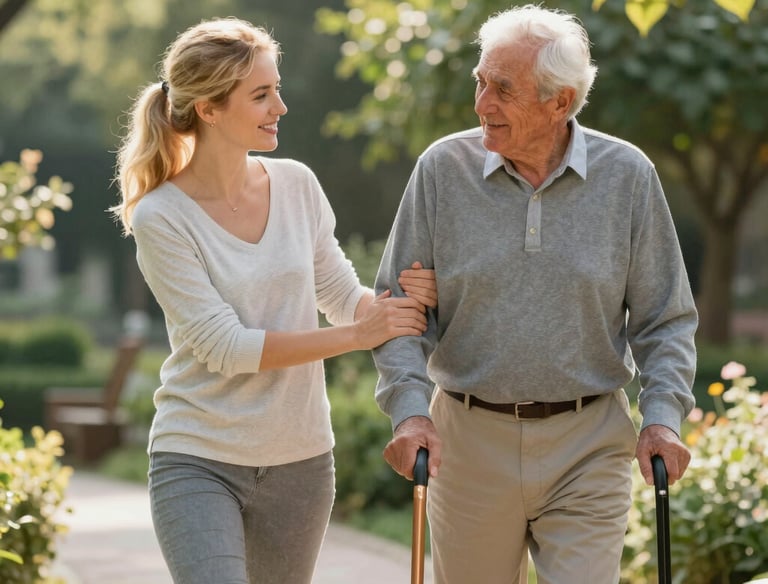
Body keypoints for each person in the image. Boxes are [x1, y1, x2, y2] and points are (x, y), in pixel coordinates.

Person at [373, 5, 698, 584]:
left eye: (502, 89)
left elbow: (664, 319)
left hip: (589, 443)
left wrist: (663, 419)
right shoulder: (442, 170)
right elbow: (400, 312)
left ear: (561, 102)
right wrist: (408, 412)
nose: (481, 105)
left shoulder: (628, 177)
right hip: (469, 442)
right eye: (480, 81)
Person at [110, 17, 437, 584]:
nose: (280, 107)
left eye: (276, 89)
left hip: (301, 460)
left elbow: (339, 296)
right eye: (261, 95)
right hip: (199, 456)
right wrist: (362, 334)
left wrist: (399, 303)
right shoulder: (162, 216)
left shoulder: (297, 185)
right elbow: (225, 347)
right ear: (209, 109)